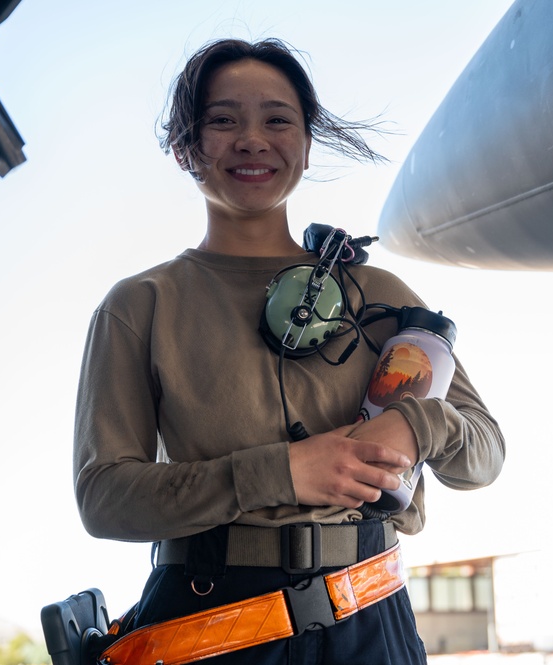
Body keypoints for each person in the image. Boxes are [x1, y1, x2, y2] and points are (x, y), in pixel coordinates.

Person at [72, 37, 504, 664]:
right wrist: (281, 472)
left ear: (306, 144)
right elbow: (104, 498)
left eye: (278, 119)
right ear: (184, 146)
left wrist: (417, 423)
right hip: (210, 624)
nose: (252, 139)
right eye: (223, 120)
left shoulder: (378, 296)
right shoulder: (140, 305)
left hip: (370, 616)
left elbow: (484, 457)